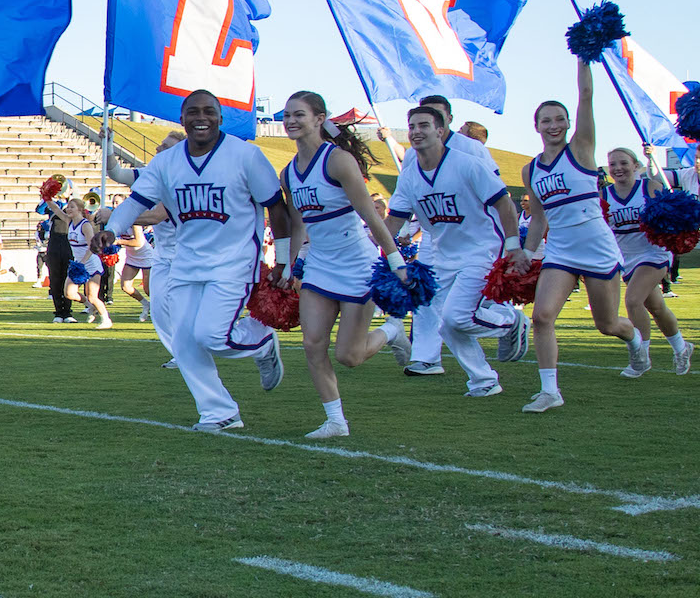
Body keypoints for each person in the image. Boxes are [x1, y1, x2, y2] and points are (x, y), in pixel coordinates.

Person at [99, 90, 292, 430]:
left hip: (234, 261)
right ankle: (220, 412)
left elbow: (276, 206)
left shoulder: (246, 155)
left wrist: (285, 259)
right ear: (182, 118)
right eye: (193, 112)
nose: (201, 117)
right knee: (184, 341)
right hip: (186, 262)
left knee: (212, 335)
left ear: (220, 117)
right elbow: (136, 201)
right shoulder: (166, 162)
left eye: (209, 111)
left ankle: (260, 340)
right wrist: (113, 229)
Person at [275, 91, 416, 439]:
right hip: (321, 266)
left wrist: (395, 260)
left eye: (299, 115)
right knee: (312, 344)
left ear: (319, 119)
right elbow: (298, 224)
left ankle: (392, 332)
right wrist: (289, 265)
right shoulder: (288, 173)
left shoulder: (338, 161)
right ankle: (336, 421)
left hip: (357, 266)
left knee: (349, 356)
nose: (291, 121)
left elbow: (371, 215)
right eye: (287, 116)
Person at [515, 59, 648, 412]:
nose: (554, 125)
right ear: (536, 126)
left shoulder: (581, 148)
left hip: (597, 246)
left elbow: (586, 95)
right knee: (542, 316)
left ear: (569, 123)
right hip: (560, 249)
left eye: (560, 119)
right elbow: (540, 216)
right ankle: (549, 392)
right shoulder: (531, 168)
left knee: (607, 325)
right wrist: (529, 251)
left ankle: (634, 339)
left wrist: (582, 58)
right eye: (546, 120)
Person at [386, 102, 531, 400]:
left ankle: (510, 322)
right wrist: (377, 253)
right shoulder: (410, 176)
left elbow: (504, 201)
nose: (416, 132)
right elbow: (393, 220)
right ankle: (483, 380)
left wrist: (514, 245)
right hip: (441, 256)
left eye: (424, 125)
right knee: (446, 323)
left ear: (441, 131)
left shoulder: (467, 163)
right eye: (412, 126)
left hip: (480, 250)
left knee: (456, 318)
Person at [604, 146, 689, 375]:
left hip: (654, 254)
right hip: (627, 259)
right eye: (613, 164)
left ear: (635, 166)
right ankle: (682, 348)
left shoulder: (650, 188)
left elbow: (672, 217)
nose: (618, 168)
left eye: (623, 163)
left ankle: (641, 357)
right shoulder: (604, 195)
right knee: (657, 308)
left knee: (633, 301)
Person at [108, 130, 187, 367]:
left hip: (187, 254)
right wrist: (109, 143)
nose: (157, 149)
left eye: (165, 147)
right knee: (160, 309)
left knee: (189, 313)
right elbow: (116, 173)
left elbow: (157, 216)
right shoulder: (152, 174)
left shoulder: (183, 178)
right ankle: (182, 356)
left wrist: (114, 216)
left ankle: (250, 340)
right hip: (164, 254)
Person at [62, 198, 112, 329]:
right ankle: (91, 308)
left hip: (90, 263)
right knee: (69, 293)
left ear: (80, 209)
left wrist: (83, 262)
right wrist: (47, 197)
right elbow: (55, 210)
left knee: (92, 296)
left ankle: (106, 319)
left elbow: (93, 246)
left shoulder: (85, 225)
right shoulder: (70, 222)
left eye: (72, 207)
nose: (68, 209)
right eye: (68, 207)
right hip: (79, 262)